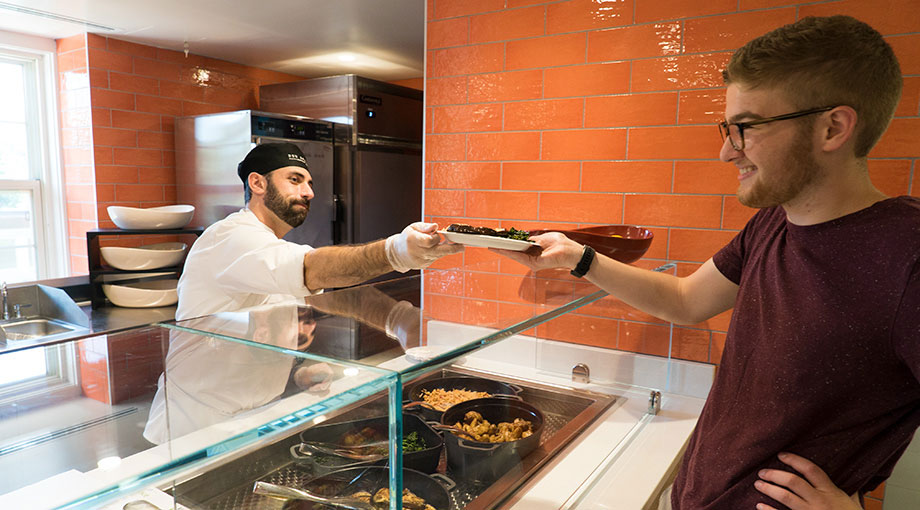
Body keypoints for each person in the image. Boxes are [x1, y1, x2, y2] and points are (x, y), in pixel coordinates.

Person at [497, 15, 920, 510]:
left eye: (746, 128)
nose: (726, 152)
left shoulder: (907, 254)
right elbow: (685, 300)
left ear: (833, 128)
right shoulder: (772, 223)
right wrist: (578, 258)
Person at [176, 142, 462, 321]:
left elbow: (332, 300)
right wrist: (396, 252)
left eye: (310, 184)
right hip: (204, 402)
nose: (309, 193)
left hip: (259, 399)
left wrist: (396, 321)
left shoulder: (269, 245)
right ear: (258, 184)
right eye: (295, 180)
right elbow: (311, 269)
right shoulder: (230, 236)